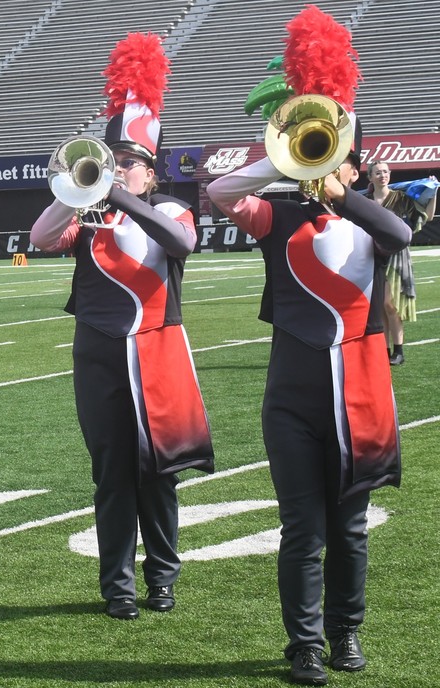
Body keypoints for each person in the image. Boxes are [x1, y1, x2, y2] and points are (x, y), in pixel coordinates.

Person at [206, 7, 409, 684]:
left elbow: (401, 237)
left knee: (349, 529)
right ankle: (305, 645)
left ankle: (346, 633)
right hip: (291, 399)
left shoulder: (370, 221)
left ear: (353, 155)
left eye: (333, 146)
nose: (324, 157)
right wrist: (282, 156)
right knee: (302, 529)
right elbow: (220, 192)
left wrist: (340, 190)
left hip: (361, 396)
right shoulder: (278, 215)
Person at [30, 34, 214, 621]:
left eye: (128, 162)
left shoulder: (169, 209)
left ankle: (162, 577)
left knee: (159, 473)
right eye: (112, 161)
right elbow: (39, 238)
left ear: (149, 171)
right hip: (99, 352)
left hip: (158, 351)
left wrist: (122, 199)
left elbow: (181, 243)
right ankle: (117, 586)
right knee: (111, 473)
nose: (117, 169)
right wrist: (76, 191)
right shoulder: (87, 216)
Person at [364, 160, 436, 365]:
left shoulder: (400, 198)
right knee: (380, 306)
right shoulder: (366, 201)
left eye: (385, 172)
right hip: (372, 255)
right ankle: (384, 350)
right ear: (370, 177)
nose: (382, 175)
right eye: (378, 173)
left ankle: (399, 351)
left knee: (390, 304)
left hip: (397, 255)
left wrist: (434, 191)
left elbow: (427, 217)